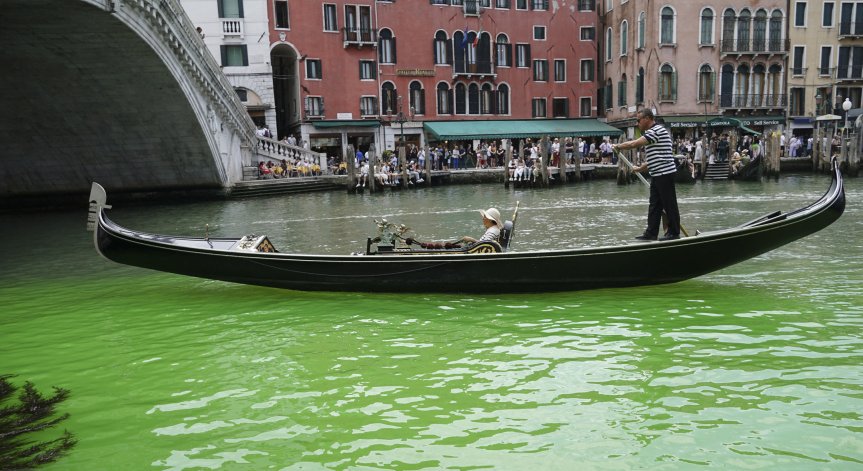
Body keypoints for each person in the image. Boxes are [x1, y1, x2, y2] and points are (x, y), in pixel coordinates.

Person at [612, 108, 681, 241]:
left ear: (647, 118)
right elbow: (655, 158)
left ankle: (674, 232)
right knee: (654, 205)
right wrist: (640, 168)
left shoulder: (656, 131)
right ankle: (651, 233)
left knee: (669, 204)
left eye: (638, 120)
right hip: (657, 174)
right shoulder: (653, 132)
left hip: (665, 173)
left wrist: (618, 146)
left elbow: (634, 144)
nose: (637, 123)